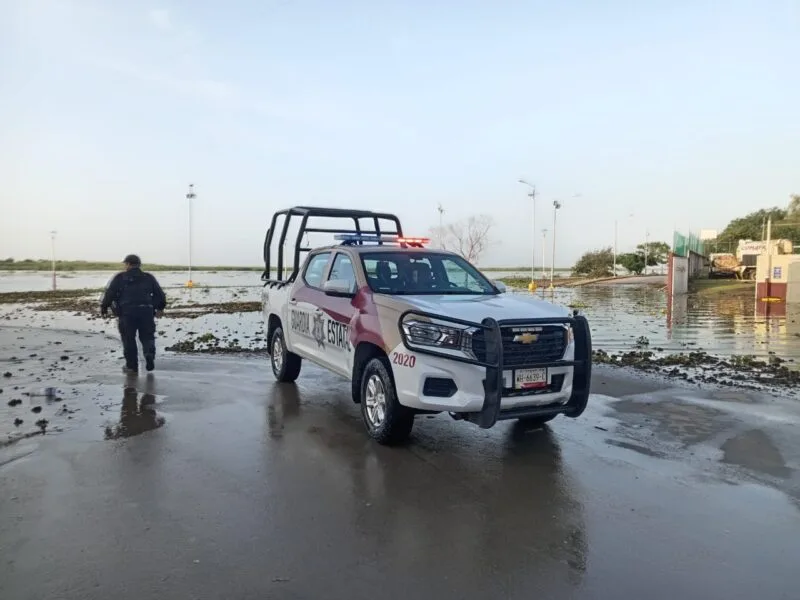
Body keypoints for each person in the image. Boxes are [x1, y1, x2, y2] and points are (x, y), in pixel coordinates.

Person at [100, 254, 166, 373]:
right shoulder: (148, 277)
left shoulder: (120, 277)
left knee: (128, 339)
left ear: (128, 264)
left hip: (126, 313)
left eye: (125, 264)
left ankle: (131, 366)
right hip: (146, 312)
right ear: (139, 264)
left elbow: (110, 293)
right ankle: (149, 354)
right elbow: (160, 294)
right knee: (147, 337)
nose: (125, 266)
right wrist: (159, 308)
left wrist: (104, 307)